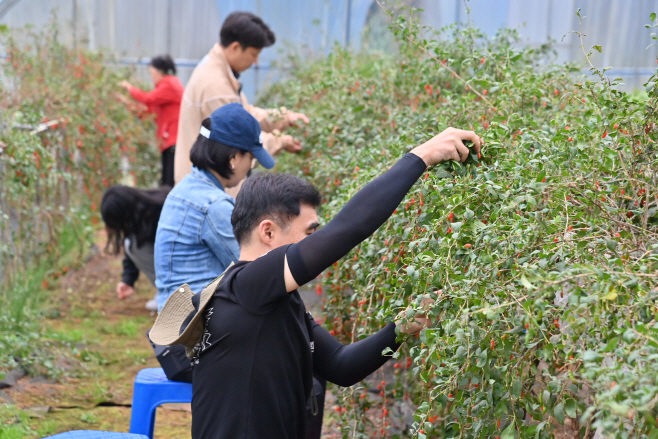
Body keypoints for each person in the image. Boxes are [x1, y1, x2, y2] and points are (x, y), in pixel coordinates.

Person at [150, 126, 483, 438]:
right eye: (311, 233)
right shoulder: (247, 285)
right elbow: (347, 230)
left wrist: (402, 327)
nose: (317, 242)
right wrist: (422, 156)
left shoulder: (274, 300)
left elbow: (341, 366)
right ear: (267, 232)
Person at [154, 103, 274, 311]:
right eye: (252, 160)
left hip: (173, 319)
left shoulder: (185, 190)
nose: (249, 169)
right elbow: (254, 270)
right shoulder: (213, 206)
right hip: (195, 328)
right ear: (234, 158)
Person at [174, 11, 309, 188]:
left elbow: (246, 114)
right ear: (236, 47)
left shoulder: (218, 70)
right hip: (209, 186)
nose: (256, 62)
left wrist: (284, 118)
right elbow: (239, 136)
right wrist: (281, 141)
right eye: (254, 54)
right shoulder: (216, 86)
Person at [101, 185, 171, 311]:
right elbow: (133, 237)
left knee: (135, 246)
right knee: (132, 244)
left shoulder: (160, 215)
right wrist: (128, 280)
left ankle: (171, 295)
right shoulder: (142, 211)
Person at [120, 55, 184, 187]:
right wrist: (125, 102)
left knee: (168, 184)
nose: (152, 77)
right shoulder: (164, 91)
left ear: (160, 71)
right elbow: (148, 113)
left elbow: (147, 99)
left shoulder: (170, 84)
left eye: (152, 73)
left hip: (174, 142)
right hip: (168, 143)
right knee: (166, 182)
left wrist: (129, 88)